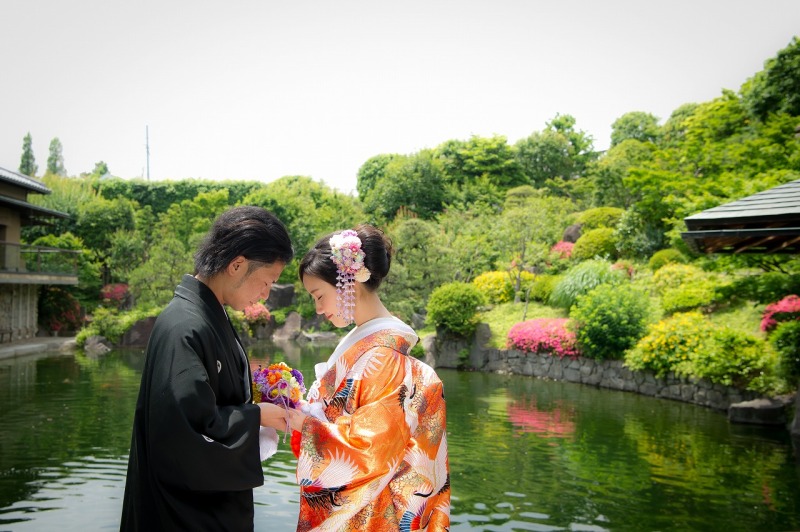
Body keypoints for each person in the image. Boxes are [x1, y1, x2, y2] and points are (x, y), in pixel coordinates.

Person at [120, 206, 294, 531]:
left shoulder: (208, 316)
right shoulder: (184, 327)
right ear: (237, 264)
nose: (266, 294)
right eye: (266, 281)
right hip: (183, 517)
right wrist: (260, 416)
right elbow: (184, 434)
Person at [279, 224, 451, 530]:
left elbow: (370, 453)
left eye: (319, 296)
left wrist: (304, 423)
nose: (318, 309)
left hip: (372, 514)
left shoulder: (383, 357)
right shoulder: (368, 347)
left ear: (349, 285)